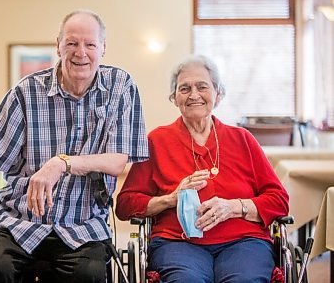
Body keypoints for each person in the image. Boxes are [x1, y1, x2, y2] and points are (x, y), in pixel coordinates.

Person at [0, 9, 149, 283]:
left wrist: (61, 163)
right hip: (17, 221)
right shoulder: (26, 92)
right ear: (58, 45)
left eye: (90, 44)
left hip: (81, 225)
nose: (80, 53)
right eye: (72, 43)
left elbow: (117, 161)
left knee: (88, 274)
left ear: (103, 48)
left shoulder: (121, 87)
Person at [116, 55, 289, 283]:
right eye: (184, 88)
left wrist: (233, 207)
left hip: (245, 241)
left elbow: (279, 201)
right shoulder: (156, 141)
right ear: (174, 98)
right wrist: (169, 199)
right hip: (177, 242)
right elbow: (125, 204)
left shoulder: (242, 139)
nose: (194, 95)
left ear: (218, 94)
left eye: (202, 86)